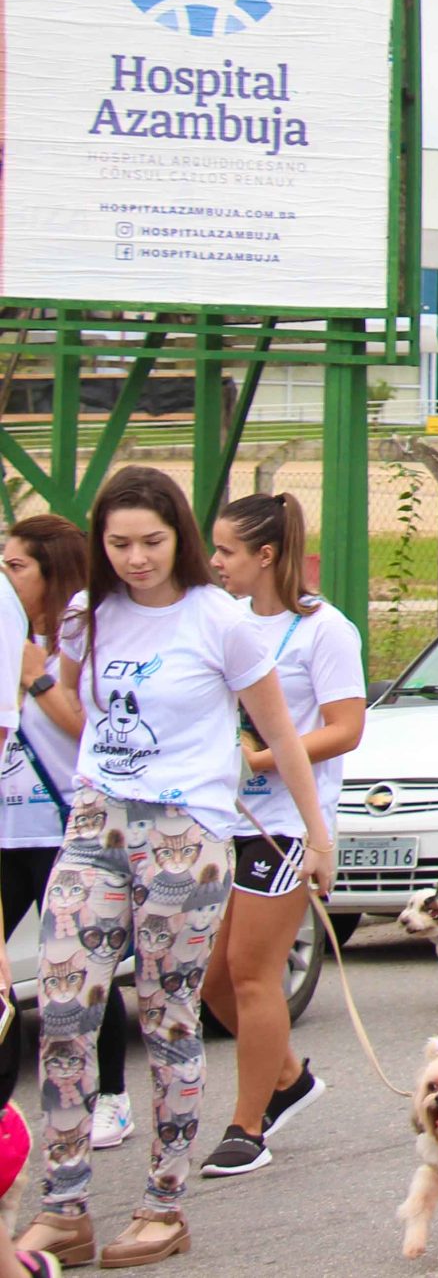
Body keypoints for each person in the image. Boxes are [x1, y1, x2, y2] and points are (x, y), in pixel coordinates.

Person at [18, 468, 332, 1271]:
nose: (134, 557)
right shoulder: (91, 616)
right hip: (97, 820)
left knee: (167, 1014)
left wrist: (316, 832)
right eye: (118, 542)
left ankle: (163, 1201)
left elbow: (281, 733)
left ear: (180, 538)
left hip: (184, 832)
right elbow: (86, 716)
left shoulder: (222, 621)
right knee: (62, 1008)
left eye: (151, 541)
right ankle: (62, 1204)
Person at [197, 494, 367, 1180]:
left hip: (290, 824)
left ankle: (247, 1124)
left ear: (266, 556)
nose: (214, 562)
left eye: (226, 551)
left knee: (252, 973)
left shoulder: (325, 630)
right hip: (225, 819)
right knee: (211, 985)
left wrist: (266, 755)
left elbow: (346, 726)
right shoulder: (227, 620)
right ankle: (289, 1075)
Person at [1, 517, 134, 1155]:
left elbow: (92, 728)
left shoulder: (79, 642)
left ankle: (112, 1095)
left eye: (16, 566)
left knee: (80, 967)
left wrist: (37, 675)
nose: (5, 577)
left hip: (65, 829)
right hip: (7, 827)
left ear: (50, 572)